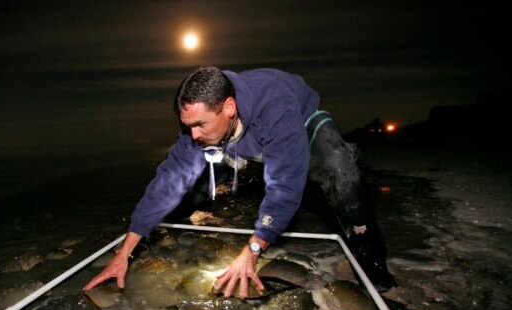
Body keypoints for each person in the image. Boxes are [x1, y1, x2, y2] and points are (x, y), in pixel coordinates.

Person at [84, 66, 396, 297]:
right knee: (183, 184)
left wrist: (252, 251)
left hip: (299, 123)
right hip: (235, 140)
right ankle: (171, 235)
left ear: (229, 108)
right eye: (186, 125)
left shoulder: (275, 108)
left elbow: (284, 187)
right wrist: (123, 254)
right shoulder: (201, 129)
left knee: (340, 171)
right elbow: (164, 184)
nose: (192, 134)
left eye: (199, 125)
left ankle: (375, 269)